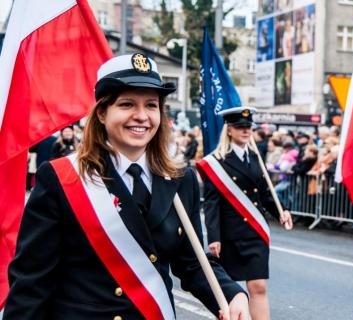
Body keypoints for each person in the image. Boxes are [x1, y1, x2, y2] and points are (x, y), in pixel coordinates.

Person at [3, 53, 250, 320]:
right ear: (101, 113)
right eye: (127, 104)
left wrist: (232, 293)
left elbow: (192, 262)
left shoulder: (181, 179)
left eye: (151, 105)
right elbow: (32, 281)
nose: (141, 116)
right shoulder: (61, 179)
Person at [199, 106, 294, 320]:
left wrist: (281, 211)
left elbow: (266, 193)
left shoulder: (255, 158)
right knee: (229, 293)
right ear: (229, 130)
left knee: (258, 286)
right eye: (240, 127)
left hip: (254, 231)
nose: (245, 130)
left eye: (248, 126)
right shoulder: (217, 162)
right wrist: (214, 237)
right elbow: (212, 203)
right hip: (230, 233)